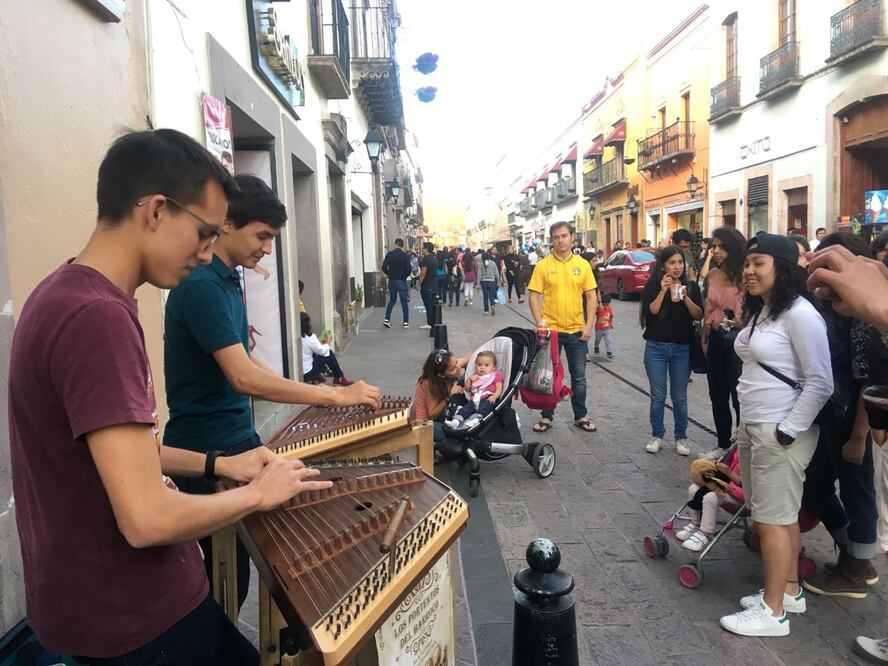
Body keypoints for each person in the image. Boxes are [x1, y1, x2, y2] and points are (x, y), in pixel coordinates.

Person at [7, 129, 337, 664]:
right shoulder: (98, 318)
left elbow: (124, 457)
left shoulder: (62, 293)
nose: (208, 254)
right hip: (136, 619)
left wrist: (219, 464)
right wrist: (261, 493)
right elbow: (146, 518)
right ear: (156, 210)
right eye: (205, 233)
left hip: (103, 612)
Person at [163, 173, 379, 612]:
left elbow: (244, 360)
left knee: (242, 573)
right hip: (206, 449)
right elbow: (242, 377)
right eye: (261, 235)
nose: (266, 247)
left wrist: (309, 389)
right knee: (218, 587)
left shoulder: (226, 279)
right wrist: (335, 395)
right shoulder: (201, 284)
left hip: (236, 438)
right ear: (226, 223)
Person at [719, 234, 832, 638]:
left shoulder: (801, 315)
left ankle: (773, 613)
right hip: (756, 424)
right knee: (776, 515)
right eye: (747, 263)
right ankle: (788, 591)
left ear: (781, 268)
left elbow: (821, 381)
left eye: (758, 263)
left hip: (780, 430)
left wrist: (787, 430)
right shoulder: (766, 311)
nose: (748, 271)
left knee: (771, 520)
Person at [801, 233, 879, 600]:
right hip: (829, 411)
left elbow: (869, 376)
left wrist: (859, 435)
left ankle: (856, 570)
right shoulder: (829, 306)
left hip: (852, 416)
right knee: (815, 484)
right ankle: (854, 553)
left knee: (856, 489)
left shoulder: (862, 314)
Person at [528, 221, 598, 433]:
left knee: (579, 377)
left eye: (564, 236)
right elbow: (533, 296)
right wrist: (539, 321)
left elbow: (591, 295)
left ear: (572, 237)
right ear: (552, 240)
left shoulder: (583, 265)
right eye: (556, 237)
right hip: (551, 332)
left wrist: (589, 325)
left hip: (577, 330)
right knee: (546, 376)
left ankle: (581, 415)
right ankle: (547, 416)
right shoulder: (543, 265)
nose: (560, 240)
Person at [640, 246, 703, 456]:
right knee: (658, 395)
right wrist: (663, 290)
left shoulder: (691, 287)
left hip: (682, 349)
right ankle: (657, 435)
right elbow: (652, 311)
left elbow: (697, 315)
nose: (677, 267)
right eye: (672, 263)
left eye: (680, 262)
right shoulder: (653, 285)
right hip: (656, 347)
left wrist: (685, 297)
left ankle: (681, 437)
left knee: (679, 396)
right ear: (663, 265)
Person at [700, 227, 746, 458]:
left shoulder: (746, 275)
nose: (715, 250)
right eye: (713, 246)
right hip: (717, 338)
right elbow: (709, 309)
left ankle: (740, 448)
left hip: (740, 340)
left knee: (739, 396)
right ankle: (722, 443)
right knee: (717, 394)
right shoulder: (713, 275)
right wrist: (705, 336)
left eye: (720, 246)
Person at [675, 448, 743, 552]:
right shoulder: (739, 447)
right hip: (725, 485)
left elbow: (750, 488)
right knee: (694, 489)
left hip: (742, 498)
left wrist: (729, 474)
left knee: (711, 497)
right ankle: (695, 523)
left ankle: (704, 534)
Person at [408, 349, 472, 442]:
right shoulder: (430, 384)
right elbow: (432, 414)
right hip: (424, 424)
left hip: (440, 415)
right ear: (441, 375)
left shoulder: (451, 364)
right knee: (455, 436)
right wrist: (449, 396)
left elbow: (471, 355)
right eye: (452, 369)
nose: (458, 368)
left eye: (456, 363)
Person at [444, 351, 504, 429]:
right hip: (474, 400)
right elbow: (467, 389)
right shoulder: (475, 376)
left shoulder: (495, 376)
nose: (482, 367)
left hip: (487, 398)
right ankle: (456, 421)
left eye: (486, 365)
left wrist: (495, 396)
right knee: (465, 409)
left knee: (486, 408)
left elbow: (499, 388)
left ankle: (475, 421)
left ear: (493, 367)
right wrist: (469, 380)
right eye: (479, 365)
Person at [300, 312, 354, 385]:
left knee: (314, 353)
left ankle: (318, 376)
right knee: (328, 352)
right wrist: (328, 341)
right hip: (307, 374)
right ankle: (339, 377)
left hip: (299, 372)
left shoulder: (297, 337)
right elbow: (323, 351)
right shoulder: (310, 338)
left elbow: (312, 347)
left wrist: (320, 342)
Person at [382, 237, 412, 329]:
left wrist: (390, 274)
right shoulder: (405, 256)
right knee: (404, 302)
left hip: (392, 281)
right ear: (402, 246)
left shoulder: (389, 254)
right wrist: (404, 276)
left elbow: (383, 267)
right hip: (402, 281)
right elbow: (409, 269)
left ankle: (387, 319)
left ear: (395, 244)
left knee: (392, 301)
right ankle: (405, 322)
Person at [476, 250, 503, 315]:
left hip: (484, 282)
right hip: (492, 282)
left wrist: (478, 284)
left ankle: (486, 311)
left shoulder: (480, 265)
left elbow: (479, 275)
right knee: (492, 295)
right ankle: (492, 305)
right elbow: (497, 273)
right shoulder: (493, 263)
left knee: (485, 297)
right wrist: (498, 282)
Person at [418, 242, 437, 330]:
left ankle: (430, 323)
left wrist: (419, 284)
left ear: (426, 249)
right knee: (432, 305)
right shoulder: (433, 258)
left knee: (428, 305)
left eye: (423, 248)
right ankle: (433, 322)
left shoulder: (426, 259)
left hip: (427, 285)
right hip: (433, 284)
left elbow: (423, 273)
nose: (422, 249)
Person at [593, 293, 615, 359]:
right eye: (604, 304)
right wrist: (597, 309)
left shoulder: (610, 309)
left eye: (607, 304)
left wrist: (611, 324)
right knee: (598, 339)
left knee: (608, 340)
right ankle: (596, 346)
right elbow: (593, 313)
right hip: (599, 328)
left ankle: (609, 351)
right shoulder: (599, 309)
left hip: (607, 328)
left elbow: (611, 317)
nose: (605, 306)